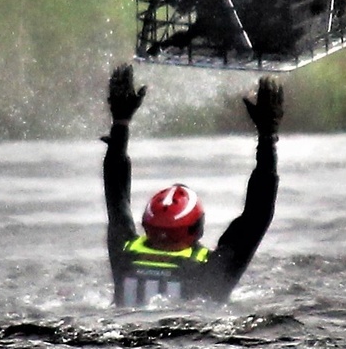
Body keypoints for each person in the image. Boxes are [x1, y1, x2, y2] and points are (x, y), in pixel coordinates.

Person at [102, 63, 282, 305]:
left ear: (147, 223)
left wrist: (120, 123)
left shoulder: (125, 255)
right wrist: (267, 136)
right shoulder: (211, 271)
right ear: (196, 228)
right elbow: (258, 215)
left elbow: (117, 198)